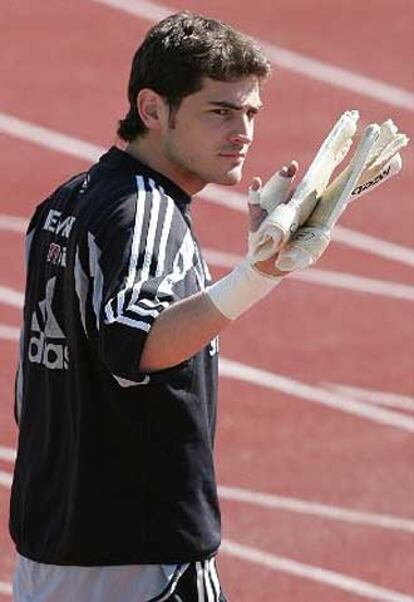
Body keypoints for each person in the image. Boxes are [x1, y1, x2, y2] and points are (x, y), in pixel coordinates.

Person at [9, 11, 307, 602]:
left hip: (52, 552)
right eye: (219, 111)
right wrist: (259, 274)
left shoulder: (64, 203)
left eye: (250, 113)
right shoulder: (145, 210)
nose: (243, 131)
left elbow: (31, 388)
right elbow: (135, 341)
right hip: (141, 560)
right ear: (151, 110)